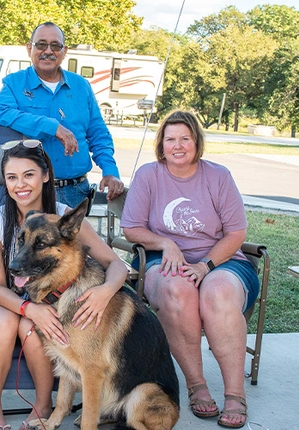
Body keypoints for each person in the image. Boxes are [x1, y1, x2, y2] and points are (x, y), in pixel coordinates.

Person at [0, 140, 128, 430]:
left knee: (32, 328)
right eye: (12, 177)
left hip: (51, 299)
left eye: (29, 174)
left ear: (46, 176)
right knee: (9, 322)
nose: (20, 184)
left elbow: (117, 265)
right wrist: (29, 308)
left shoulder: (65, 218)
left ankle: (44, 405)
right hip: (1, 298)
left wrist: (105, 292)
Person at [120, 110, 259, 429]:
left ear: (197, 141)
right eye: (170, 139)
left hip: (222, 261)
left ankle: (235, 394)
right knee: (177, 291)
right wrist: (166, 243)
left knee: (219, 294)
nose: (178, 145)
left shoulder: (218, 176)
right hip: (163, 261)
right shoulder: (149, 175)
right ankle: (197, 386)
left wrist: (205, 265)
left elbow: (237, 232)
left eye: (185, 138)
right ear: (161, 144)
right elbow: (132, 228)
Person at [0, 22, 124, 208]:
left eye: (55, 45)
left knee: (76, 239)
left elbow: (98, 133)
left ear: (64, 50)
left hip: (76, 192)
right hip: (32, 193)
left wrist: (110, 170)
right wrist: (52, 127)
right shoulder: (14, 83)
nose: (48, 51)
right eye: (41, 44)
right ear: (29, 48)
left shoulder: (81, 86)